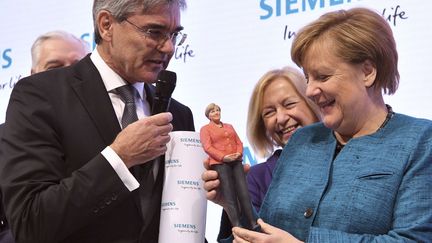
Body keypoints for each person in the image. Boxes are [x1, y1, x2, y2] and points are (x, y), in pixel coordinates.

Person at [203, 7, 432, 242]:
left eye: (322, 77)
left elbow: (414, 239)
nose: (310, 91)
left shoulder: (421, 141)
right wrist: (233, 202)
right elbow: (268, 230)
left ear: (368, 71)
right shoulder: (302, 141)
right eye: (307, 78)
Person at [0, 1, 195, 243]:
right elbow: (30, 222)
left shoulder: (178, 114)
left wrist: (223, 199)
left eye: (174, 34)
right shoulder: (40, 96)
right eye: (154, 32)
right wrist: (119, 158)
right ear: (106, 25)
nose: (168, 47)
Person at [0, 30, 89, 243]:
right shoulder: (4, 136)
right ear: (32, 74)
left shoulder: (116, 127)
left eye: (77, 66)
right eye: (54, 68)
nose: (66, 76)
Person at [217, 67, 321, 241]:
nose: (280, 118)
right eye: (269, 112)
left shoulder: (347, 158)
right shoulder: (256, 177)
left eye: (289, 104)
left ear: (313, 102)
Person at [200, 103, 258, 231]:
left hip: (236, 160)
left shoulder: (229, 126)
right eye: (213, 111)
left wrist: (238, 153)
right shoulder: (205, 129)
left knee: (244, 191)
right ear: (208, 115)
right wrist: (222, 157)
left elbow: (238, 141)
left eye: (218, 110)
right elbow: (207, 147)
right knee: (229, 194)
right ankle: (237, 224)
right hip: (220, 163)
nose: (216, 112)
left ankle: (253, 221)